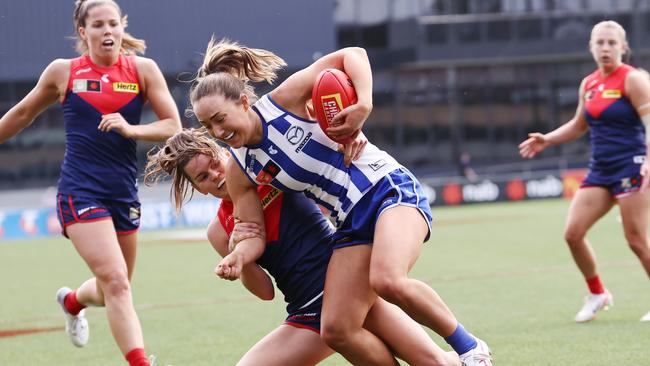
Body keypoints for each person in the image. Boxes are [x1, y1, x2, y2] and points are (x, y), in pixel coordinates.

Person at [188, 37, 492, 365]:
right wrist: (238, 255)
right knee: (335, 329)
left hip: (386, 188)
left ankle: (471, 349)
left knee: (387, 280)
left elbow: (352, 55)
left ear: (244, 102)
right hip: (349, 221)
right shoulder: (241, 170)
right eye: (208, 126)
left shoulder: (283, 101)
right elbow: (251, 232)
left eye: (220, 118)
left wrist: (363, 104)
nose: (217, 131)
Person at [144, 128, 461, 366]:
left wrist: (352, 134)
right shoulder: (218, 231)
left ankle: (468, 352)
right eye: (202, 177)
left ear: (224, 151)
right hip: (307, 313)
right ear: (196, 188)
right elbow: (265, 292)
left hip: (348, 290)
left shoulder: (268, 172)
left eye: (214, 163)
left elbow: (314, 141)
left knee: (432, 363)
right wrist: (240, 262)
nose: (215, 176)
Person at [0, 1, 181, 365]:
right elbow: (21, 113)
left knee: (113, 287)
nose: (107, 31)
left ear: (122, 26)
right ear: (83, 32)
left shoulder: (143, 70)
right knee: (116, 281)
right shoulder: (63, 72)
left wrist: (132, 129)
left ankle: (71, 302)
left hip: (122, 193)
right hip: (79, 191)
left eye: (113, 23)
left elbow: (172, 126)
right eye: (98, 25)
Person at [519, 20, 650, 323]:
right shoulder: (589, 84)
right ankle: (598, 293)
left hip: (631, 166)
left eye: (611, 43)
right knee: (573, 233)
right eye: (599, 43)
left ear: (623, 47)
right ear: (591, 47)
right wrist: (547, 139)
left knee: (636, 240)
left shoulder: (632, 81)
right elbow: (580, 124)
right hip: (601, 170)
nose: (605, 48)